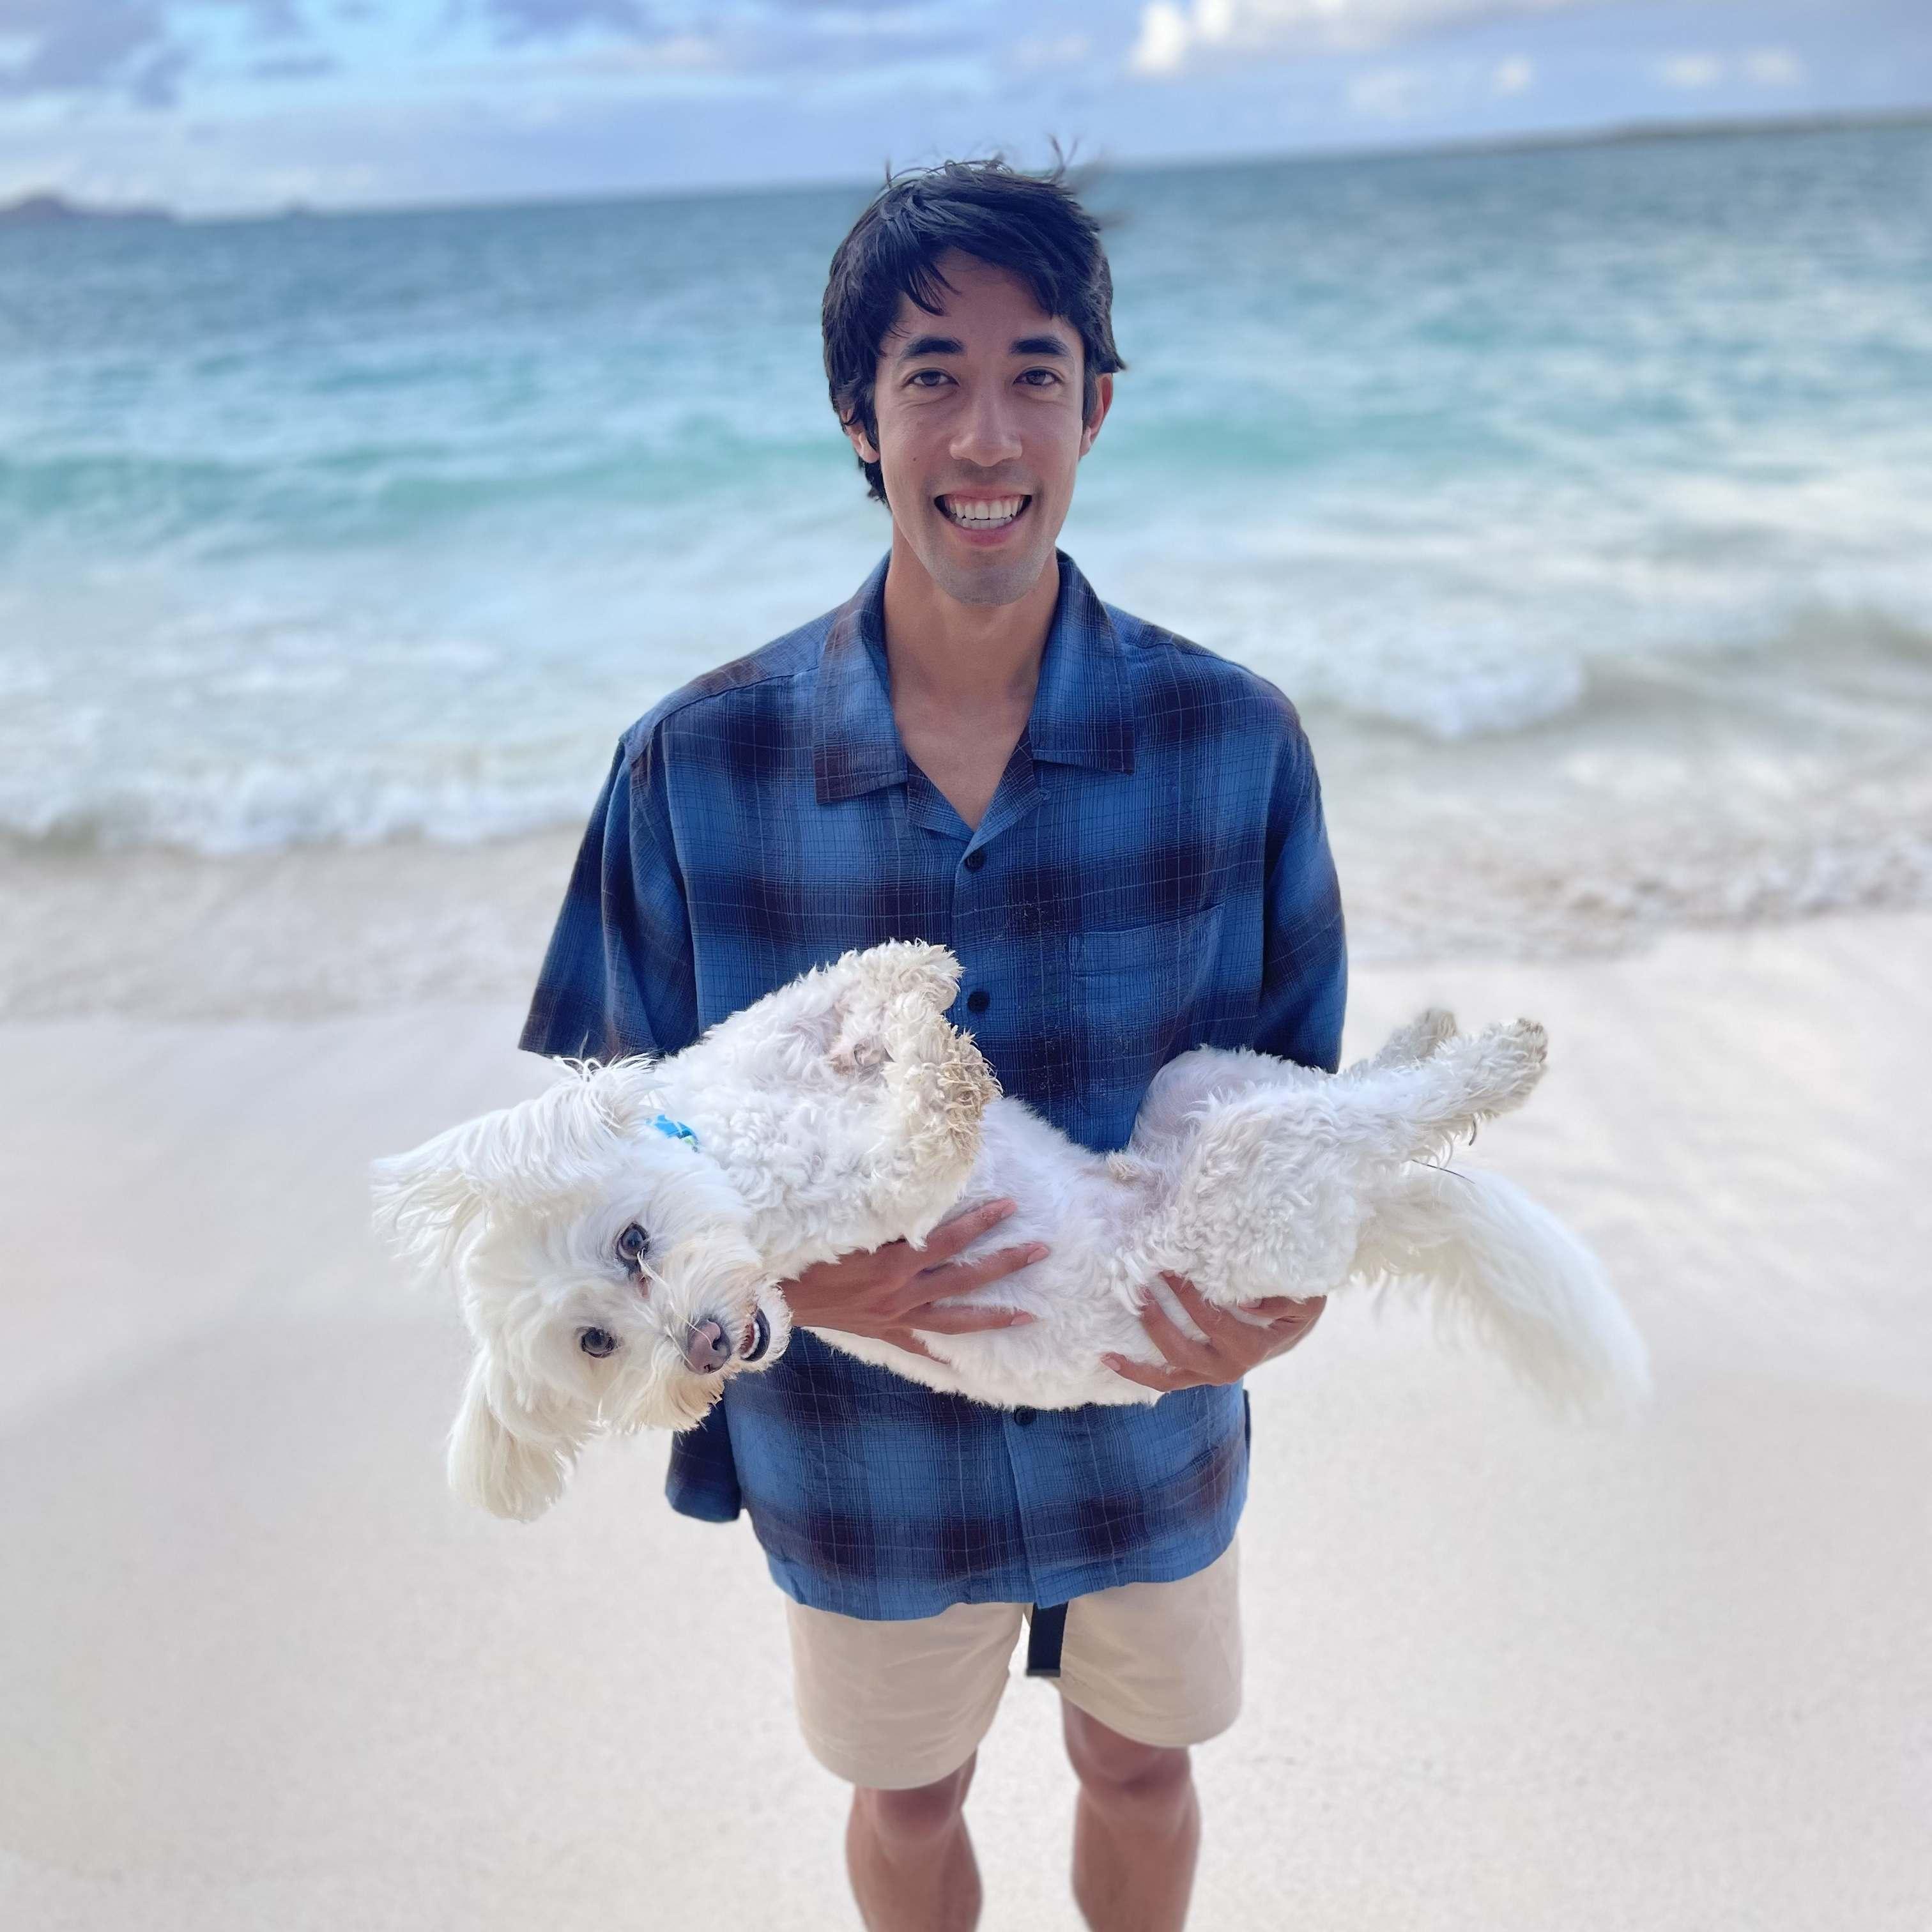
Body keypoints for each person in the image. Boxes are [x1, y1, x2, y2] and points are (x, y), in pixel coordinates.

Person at [519, 155, 1346, 1932]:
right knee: (907, 1799)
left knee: (1144, 1766)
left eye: (1034, 373)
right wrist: (786, 1287)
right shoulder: (695, 764)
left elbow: (1300, 1106)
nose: (986, 436)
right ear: (860, 418)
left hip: (1148, 1385)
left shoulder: (1235, 741)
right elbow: (600, 1151)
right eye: (931, 377)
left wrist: (1291, 1300)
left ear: (1096, 406)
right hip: (854, 1429)